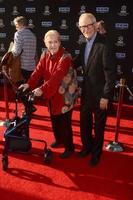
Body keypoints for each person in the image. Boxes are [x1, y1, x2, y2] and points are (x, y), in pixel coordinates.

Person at [19, 30, 78, 159]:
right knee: (53, 118)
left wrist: (41, 89)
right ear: (45, 43)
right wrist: (28, 84)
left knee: (64, 122)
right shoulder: (45, 54)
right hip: (51, 93)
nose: (52, 45)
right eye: (50, 42)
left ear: (60, 42)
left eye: (55, 42)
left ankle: (69, 147)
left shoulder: (66, 57)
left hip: (65, 95)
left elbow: (56, 77)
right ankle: (59, 139)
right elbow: (38, 71)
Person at [74, 13, 116, 166]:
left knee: (99, 128)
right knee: (84, 124)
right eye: (82, 27)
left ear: (95, 25)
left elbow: (110, 73)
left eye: (89, 25)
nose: (86, 29)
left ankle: (96, 154)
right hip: (86, 93)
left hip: (100, 96)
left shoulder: (105, 44)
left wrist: (106, 96)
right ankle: (87, 148)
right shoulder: (83, 44)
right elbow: (77, 62)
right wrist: (62, 61)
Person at [11, 16, 37, 82]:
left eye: (16, 25)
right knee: (29, 87)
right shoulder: (32, 35)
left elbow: (16, 51)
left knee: (21, 88)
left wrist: (9, 57)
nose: (16, 28)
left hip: (21, 66)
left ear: (21, 24)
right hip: (32, 66)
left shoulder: (19, 33)